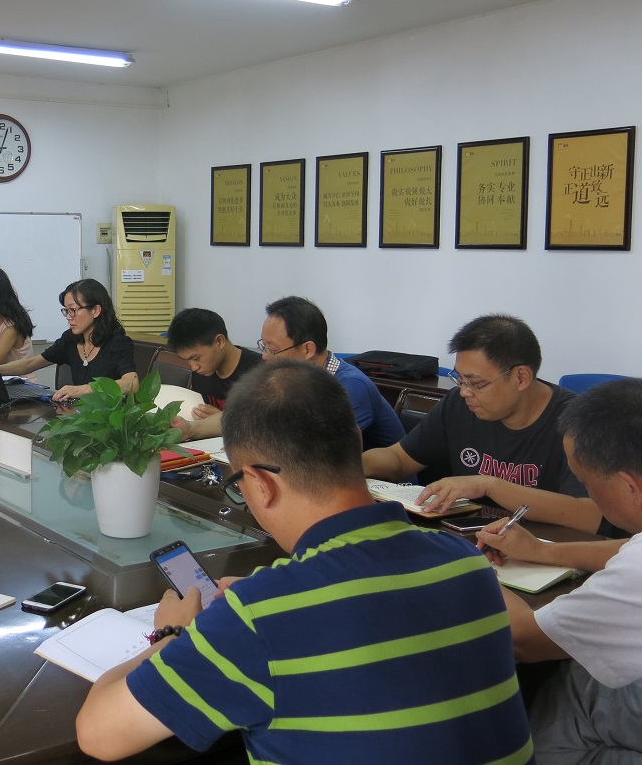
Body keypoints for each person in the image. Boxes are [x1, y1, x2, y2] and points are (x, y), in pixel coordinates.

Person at [75, 359, 532, 763]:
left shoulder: (259, 616)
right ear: (355, 441)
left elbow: (98, 735)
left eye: (238, 485)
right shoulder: (466, 563)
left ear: (260, 485)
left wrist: (171, 634)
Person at [478, 377, 642, 762]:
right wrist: (541, 551)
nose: (587, 493)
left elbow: (524, 639)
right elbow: (634, 548)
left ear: (630, 487)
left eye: (585, 483)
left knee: (568, 694)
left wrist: (474, 571)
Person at [362, 313, 603, 533]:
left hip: (548, 548)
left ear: (521, 377)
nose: (464, 392)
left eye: (476, 383)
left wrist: (489, 486)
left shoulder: (580, 422)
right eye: (459, 379)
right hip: (475, 539)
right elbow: (399, 459)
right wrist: (348, 466)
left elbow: (589, 516)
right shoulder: (459, 404)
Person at [257, 296, 404, 449]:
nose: (264, 356)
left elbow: (318, 451)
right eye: (264, 346)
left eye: (273, 349)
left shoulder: (351, 386)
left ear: (308, 349)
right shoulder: (293, 378)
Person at [0, 279, 136, 402]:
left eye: (73, 310)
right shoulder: (71, 339)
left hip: (108, 417)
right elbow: (31, 364)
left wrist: (83, 389)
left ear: (95, 310)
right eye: (66, 311)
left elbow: (132, 383)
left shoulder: (117, 342)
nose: (69, 317)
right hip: (79, 414)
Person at [164, 308, 259, 440]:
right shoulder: (203, 371)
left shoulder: (259, 372)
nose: (194, 367)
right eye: (188, 360)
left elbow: (260, 426)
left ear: (219, 341)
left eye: (196, 358)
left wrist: (224, 420)